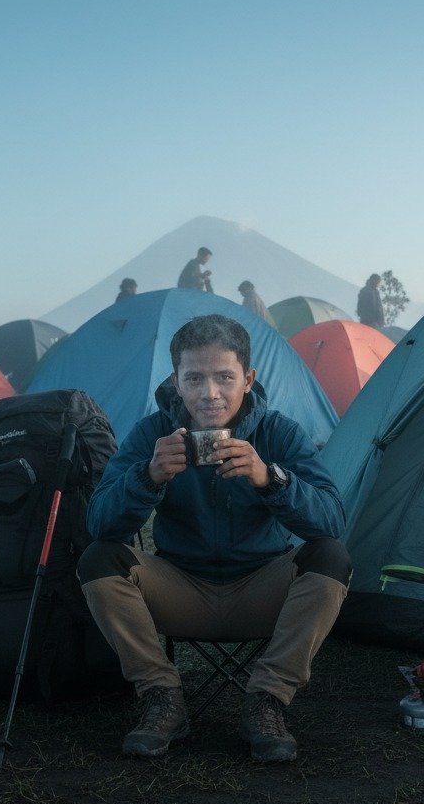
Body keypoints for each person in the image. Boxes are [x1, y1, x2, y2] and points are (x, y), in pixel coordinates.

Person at [78, 314, 350, 763]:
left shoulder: (278, 432)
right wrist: (147, 478)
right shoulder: (153, 434)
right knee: (100, 559)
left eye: (225, 377)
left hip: (263, 587)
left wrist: (271, 479)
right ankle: (162, 698)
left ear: (248, 379)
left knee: (330, 557)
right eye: (195, 378)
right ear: (176, 382)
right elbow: (101, 524)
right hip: (180, 588)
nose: (210, 393)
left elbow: (331, 519)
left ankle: (266, 699)